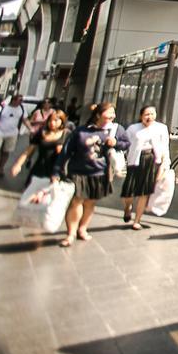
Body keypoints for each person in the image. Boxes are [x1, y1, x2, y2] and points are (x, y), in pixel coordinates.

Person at [57, 103, 129, 247]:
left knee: (90, 202)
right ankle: (71, 233)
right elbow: (67, 150)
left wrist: (115, 143)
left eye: (113, 113)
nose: (112, 116)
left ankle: (82, 228)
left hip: (99, 172)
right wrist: (56, 170)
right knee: (77, 201)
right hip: (79, 171)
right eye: (109, 112)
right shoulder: (81, 131)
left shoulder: (115, 129)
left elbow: (126, 144)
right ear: (97, 115)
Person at [120, 106, 170, 231]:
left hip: (152, 160)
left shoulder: (161, 128)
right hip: (135, 161)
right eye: (147, 114)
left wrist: (165, 165)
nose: (149, 117)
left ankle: (137, 220)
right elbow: (125, 144)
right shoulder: (133, 129)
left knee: (144, 192)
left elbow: (165, 147)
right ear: (141, 116)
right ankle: (127, 207)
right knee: (129, 192)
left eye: (152, 114)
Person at [10, 109, 69, 184]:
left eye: (56, 120)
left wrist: (62, 151)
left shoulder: (66, 135)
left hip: (56, 171)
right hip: (40, 168)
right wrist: (18, 164)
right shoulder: (42, 132)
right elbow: (28, 150)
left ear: (62, 121)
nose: (52, 123)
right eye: (50, 120)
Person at [0, 94, 26, 176]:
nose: (21, 102)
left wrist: (31, 128)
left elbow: (25, 119)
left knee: (6, 152)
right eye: (20, 100)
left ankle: (0, 168)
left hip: (12, 134)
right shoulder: (2, 108)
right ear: (13, 100)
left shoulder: (21, 109)